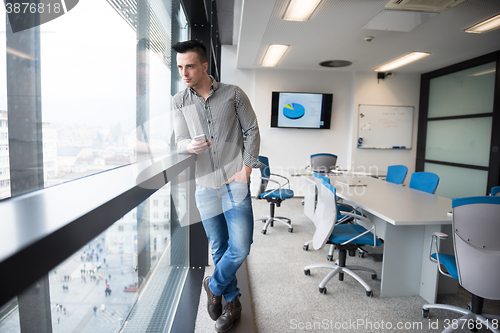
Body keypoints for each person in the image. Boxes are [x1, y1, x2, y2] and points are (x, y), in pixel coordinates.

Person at [172, 39, 263, 333]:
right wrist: (189, 146)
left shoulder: (233, 94)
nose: (184, 73)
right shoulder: (179, 101)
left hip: (235, 182)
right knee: (220, 247)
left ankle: (213, 284)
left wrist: (247, 169)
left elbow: (252, 130)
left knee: (240, 247)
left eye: (190, 66)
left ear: (204, 66)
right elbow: (179, 141)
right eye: (179, 67)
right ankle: (232, 303)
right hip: (204, 186)